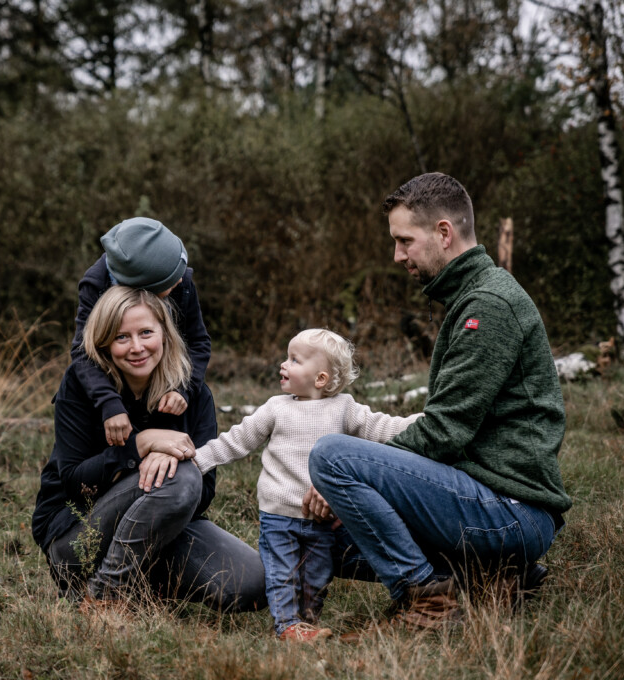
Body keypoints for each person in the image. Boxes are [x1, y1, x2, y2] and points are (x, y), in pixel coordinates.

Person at [306, 172, 572, 631]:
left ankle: (429, 601)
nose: (397, 255)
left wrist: (348, 474)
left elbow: (444, 432)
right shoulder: (471, 296)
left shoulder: (488, 305)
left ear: (444, 233)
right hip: (485, 502)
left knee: (332, 458)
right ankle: (491, 578)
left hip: (513, 512)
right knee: (323, 539)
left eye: (405, 240)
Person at [33, 286, 265, 612]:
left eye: (146, 333)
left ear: (165, 334)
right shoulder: (81, 386)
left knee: (252, 583)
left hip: (162, 532)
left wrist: (168, 457)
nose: (137, 347)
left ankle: (142, 586)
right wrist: (140, 445)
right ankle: (105, 592)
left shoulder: (193, 394)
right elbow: (74, 482)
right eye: (121, 337)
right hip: (78, 536)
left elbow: (204, 491)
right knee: (182, 476)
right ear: (103, 343)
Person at [193, 329, 421, 642]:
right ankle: (287, 625)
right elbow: (237, 440)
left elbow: (381, 426)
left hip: (322, 519)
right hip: (279, 516)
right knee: (282, 573)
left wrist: (422, 422)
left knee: (317, 575)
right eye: (287, 357)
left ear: (321, 379)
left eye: (294, 360)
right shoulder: (276, 407)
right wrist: (198, 460)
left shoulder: (344, 408)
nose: (283, 365)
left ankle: (308, 622)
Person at [72, 217, 212, 449]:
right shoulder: (95, 284)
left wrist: (183, 391)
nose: (179, 279)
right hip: (115, 386)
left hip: (164, 386)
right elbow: (83, 351)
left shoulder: (181, 281)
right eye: (170, 279)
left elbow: (198, 342)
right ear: (144, 288)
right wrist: (109, 402)